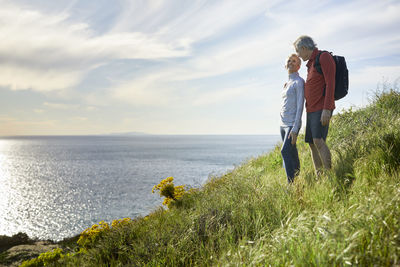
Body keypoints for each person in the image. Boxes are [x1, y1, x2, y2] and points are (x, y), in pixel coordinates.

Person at [293, 35, 335, 176]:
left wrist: (327, 109)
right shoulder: (310, 63)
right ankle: (319, 176)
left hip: (321, 108)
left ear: (304, 48)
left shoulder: (323, 57)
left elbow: (330, 83)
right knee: (311, 143)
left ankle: (329, 176)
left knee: (319, 141)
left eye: (298, 51)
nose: (298, 55)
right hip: (311, 110)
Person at [280, 54, 305, 183]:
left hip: (292, 124)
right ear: (286, 65)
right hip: (282, 124)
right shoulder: (286, 83)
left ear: (299, 66)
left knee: (284, 151)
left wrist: (295, 129)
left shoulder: (299, 82)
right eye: (289, 60)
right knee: (292, 153)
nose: (291, 62)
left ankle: (291, 184)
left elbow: (300, 106)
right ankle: (298, 177)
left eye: (294, 61)